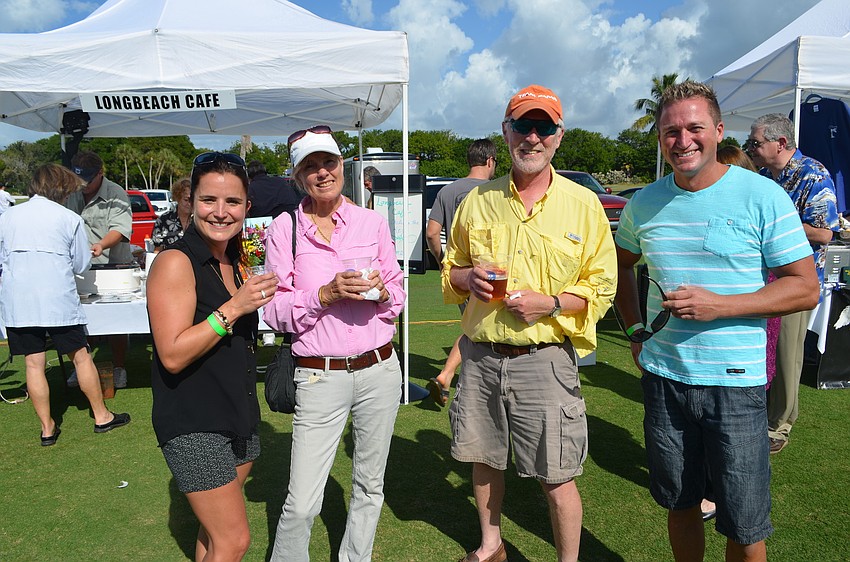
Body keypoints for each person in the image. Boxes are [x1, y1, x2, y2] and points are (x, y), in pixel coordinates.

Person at [614, 81, 819, 562]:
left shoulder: (762, 195)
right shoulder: (644, 202)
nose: (682, 140)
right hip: (665, 380)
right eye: (670, 131)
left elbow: (804, 286)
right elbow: (621, 265)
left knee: (744, 524)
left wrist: (719, 305)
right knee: (680, 504)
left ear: (719, 130)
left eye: (694, 128)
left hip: (736, 386)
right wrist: (633, 332)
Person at [442, 85, 617, 562]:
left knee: (556, 473)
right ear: (505, 132)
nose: (533, 137)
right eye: (523, 125)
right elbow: (450, 269)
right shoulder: (477, 201)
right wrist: (465, 276)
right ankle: (491, 543)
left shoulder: (583, 204)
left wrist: (554, 303)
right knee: (483, 458)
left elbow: (602, 288)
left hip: (544, 360)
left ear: (560, 137)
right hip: (480, 356)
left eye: (544, 127)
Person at [263, 126, 405, 562]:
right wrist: (323, 294)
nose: (323, 172)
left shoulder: (371, 222)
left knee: (369, 486)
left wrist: (381, 291)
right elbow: (272, 311)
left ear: (343, 165)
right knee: (303, 501)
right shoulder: (283, 229)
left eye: (329, 162)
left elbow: (397, 296)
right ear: (296, 176)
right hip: (318, 375)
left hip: (380, 370)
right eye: (310, 166)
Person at [147, 151, 278, 561]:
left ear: (247, 207)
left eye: (232, 202)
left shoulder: (236, 261)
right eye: (209, 200)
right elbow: (171, 353)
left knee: (213, 532)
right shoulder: (175, 262)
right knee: (233, 540)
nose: (220, 212)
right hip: (194, 422)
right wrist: (234, 308)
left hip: (237, 414)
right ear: (190, 202)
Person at [0, 164, 130, 445]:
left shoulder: (8, 216)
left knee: (33, 363)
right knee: (81, 356)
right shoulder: (67, 218)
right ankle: (101, 416)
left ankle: (47, 428)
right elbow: (81, 263)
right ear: (60, 187)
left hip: (17, 299)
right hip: (57, 297)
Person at [745, 113, 841, 455]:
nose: (750, 149)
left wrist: (778, 223)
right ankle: (759, 414)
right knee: (763, 350)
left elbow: (825, 232)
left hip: (794, 282)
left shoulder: (813, 175)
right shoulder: (763, 177)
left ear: (780, 143)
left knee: (786, 355)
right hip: (760, 278)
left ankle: (779, 426)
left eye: (756, 143)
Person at [424, 138, 497, 407]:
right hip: (491, 272)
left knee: (472, 322)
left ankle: (448, 374)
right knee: (476, 325)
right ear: (490, 161)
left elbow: (432, 232)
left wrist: (443, 261)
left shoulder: (447, 190)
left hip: (457, 271)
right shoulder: (497, 191)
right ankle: (447, 375)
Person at [65, 150, 132, 389]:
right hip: (79, 267)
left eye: (88, 181)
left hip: (112, 267)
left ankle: (119, 367)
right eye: (79, 180)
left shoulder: (116, 193)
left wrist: (100, 244)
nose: (82, 186)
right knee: (80, 321)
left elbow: (120, 229)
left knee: (115, 323)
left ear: (100, 174)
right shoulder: (70, 191)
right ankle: (82, 367)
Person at [151, 177, 191, 252]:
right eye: (186, 200)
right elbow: (157, 250)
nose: (189, 203)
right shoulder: (163, 220)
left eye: (192, 200)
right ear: (178, 198)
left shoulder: (200, 220)